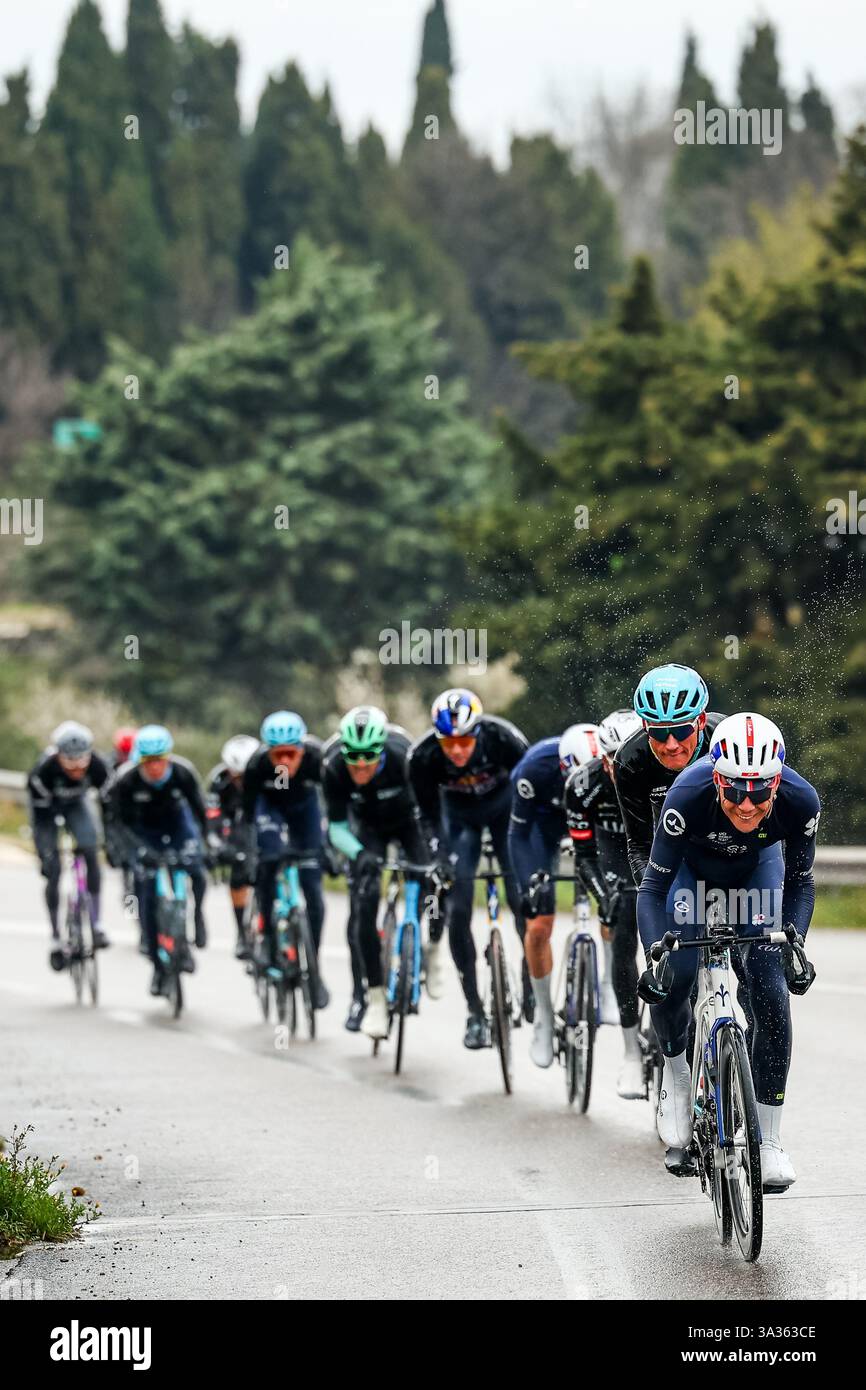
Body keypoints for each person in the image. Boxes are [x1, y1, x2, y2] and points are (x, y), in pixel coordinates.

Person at [636, 712, 818, 1190]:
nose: (746, 803)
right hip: (688, 879)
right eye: (734, 789)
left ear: (777, 782)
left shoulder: (800, 802)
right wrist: (656, 953)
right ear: (716, 777)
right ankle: (676, 1080)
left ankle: (769, 1140)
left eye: (760, 791)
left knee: (770, 992)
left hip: (755, 875)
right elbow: (653, 888)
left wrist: (794, 942)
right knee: (673, 974)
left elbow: (800, 882)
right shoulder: (686, 796)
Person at [407, 688, 529, 1049]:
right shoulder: (423, 756)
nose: (457, 751)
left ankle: (529, 982)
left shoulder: (504, 738)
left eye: (465, 742)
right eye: (450, 744)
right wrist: (438, 856)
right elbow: (425, 817)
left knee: (522, 900)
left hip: (505, 813)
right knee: (457, 911)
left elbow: (532, 788)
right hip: (459, 822)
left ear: (478, 733)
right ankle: (475, 1010)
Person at [322, 705, 429, 1039]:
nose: (361, 764)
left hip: (410, 822)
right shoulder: (334, 765)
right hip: (368, 830)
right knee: (362, 909)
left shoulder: (405, 757)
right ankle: (372, 997)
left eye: (369, 756)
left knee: (431, 877)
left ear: (381, 749)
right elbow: (336, 828)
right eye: (354, 756)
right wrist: (358, 854)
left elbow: (431, 809)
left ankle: (422, 944)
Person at [508, 722, 600, 1067]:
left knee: (615, 902)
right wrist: (530, 882)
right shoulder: (534, 769)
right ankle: (544, 1016)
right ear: (562, 767)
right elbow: (518, 834)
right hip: (542, 831)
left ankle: (603, 985)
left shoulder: (612, 765)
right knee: (538, 924)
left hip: (591, 827)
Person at [564, 708, 644, 1096]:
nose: (618, 767)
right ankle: (631, 1052)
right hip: (611, 855)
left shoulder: (661, 774)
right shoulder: (584, 784)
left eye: (625, 756)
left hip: (654, 854)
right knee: (623, 929)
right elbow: (584, 858)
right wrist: (602, 897)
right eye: (610, 759)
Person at [104, 725, 210, 996]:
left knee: (196, 868)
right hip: (142, 833)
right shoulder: (125, 780)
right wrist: (123, 851)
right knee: (145, 899)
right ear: (139, 760)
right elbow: (115, 823)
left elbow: (199, 812)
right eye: (148, 762)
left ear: (168, 758)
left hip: (177, 826)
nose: (154, 768)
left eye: (159, 761)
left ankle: (196, 915)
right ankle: (156, 966)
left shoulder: (184, 773)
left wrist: (205, 844)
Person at [243, 711, 328, 1008]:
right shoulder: (255, 766)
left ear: (302, 750)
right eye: (277, 754)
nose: (284, 762)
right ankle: (267, 937)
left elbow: (335, 801)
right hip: (271, 810)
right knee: (269, 863)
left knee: (314, 891)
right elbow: (247, 814)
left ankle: (313, 965)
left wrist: (328, 848)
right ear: (268, 752)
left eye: (291, 754)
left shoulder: (318, 759)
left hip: (305, 810)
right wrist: (250, 854)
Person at [615, 663, 725, 885]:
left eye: (682, 730)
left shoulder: (727, 739)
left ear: (701, 721)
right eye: (659, 733)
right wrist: (652, 897)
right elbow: (640, 845)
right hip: (677, 843)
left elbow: (771, 815)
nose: (671, 745)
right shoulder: (630, 761)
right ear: (645, 726)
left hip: (737, 840)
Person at [28, 721, 111, 969]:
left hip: (77, 805)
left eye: (81, 761)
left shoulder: (98, 767)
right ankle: (55, 937)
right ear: (58, 756)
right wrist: (45, 854)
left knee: (91, 851)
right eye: (70, 761)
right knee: (53, 871)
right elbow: (40, 823)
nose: (77, 767)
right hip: (46, 809)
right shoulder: (42, 772)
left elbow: (109, 804)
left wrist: (109, 841)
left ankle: (96, 924)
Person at [206, 735, 259, 959]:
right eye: (235, 776)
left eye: (244, 776)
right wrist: (218, 845)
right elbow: (211, 819)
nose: (239, 781)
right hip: (235, 824)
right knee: (238, 873)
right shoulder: (218, 780)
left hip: (259, 820)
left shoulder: (270, 774)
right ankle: (241, 932)